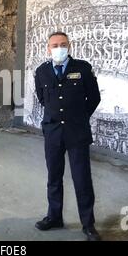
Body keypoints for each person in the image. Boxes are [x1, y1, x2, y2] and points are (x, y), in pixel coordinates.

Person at [34, 31, 102, 241]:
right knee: (54, 177)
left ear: (69, 46)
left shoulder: (82, 68)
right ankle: (54, 217)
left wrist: (79, 117)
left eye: (62, 44)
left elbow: (94, 98)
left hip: (77, 132)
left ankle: (88, 224)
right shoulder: (42, 71)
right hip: (53, 132)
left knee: (82, 179)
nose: (59, 48)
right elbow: (43, 98)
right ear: (48, 48)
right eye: (54, 45)